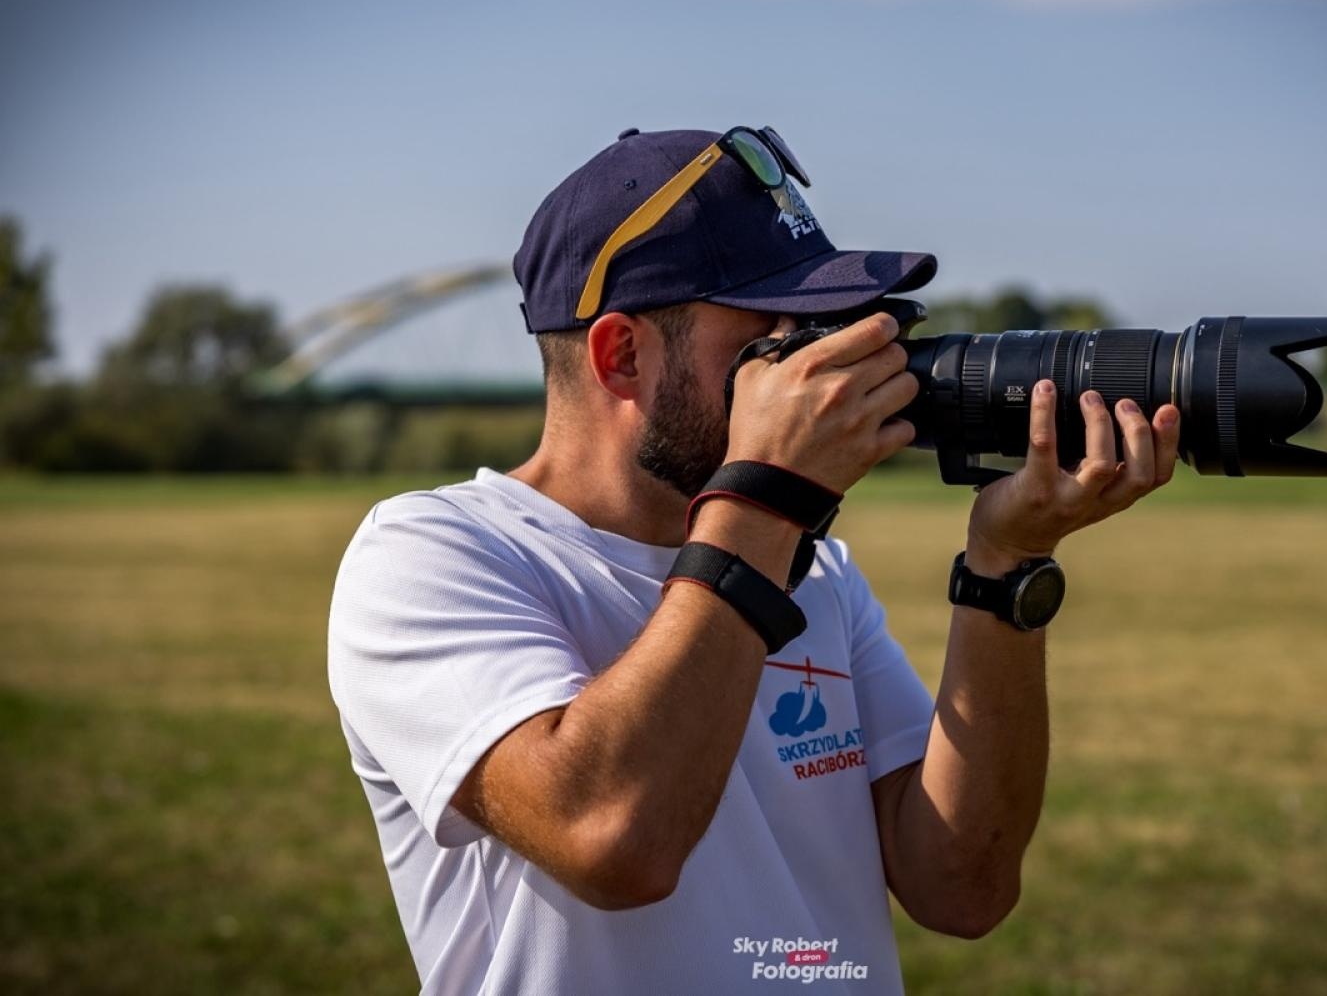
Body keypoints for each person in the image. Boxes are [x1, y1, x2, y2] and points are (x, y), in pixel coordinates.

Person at [327, 126, 1181, 994]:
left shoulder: (817, 570)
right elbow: (613, 841)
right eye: (774, 335)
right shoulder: (436, 554)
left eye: (821, 325)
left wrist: (1006, 561)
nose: (818, 362)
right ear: (620, 355)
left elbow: (962, 888)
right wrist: (767, 497)